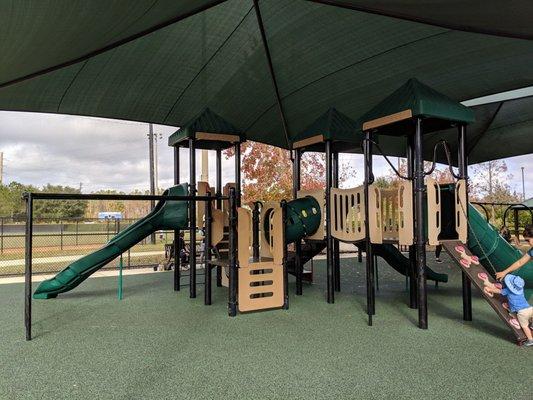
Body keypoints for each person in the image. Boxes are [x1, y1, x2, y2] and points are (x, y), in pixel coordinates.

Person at [484, 274, 533, 346]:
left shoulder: (508, 290)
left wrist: (489, 289)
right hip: (530, 308)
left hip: (522, 313)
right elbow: (515, 300)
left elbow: (499, 291)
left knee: (524, 326)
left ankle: (530, 340)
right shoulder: (520, 290)